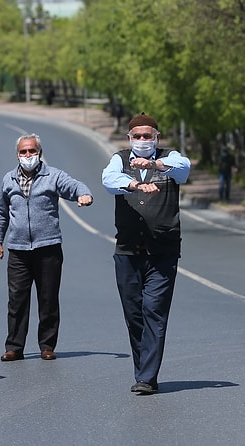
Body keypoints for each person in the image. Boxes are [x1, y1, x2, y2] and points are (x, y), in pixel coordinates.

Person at [101, 113, 190, 395]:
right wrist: (135, 184)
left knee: (154, 310)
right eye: (136, 136)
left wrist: (154, 164)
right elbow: (108, 179)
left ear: (156, 137)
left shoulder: (169, 158)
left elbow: (183, 168)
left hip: (162, 251)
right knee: (134, 313)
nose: (142, 140)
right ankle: (144, 371)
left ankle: (147, 377)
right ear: (129, 138)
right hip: (127, 250)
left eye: (147, 135)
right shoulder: (119, 159)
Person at [0, 134, 93, 363]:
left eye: (32, 151)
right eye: (23, 152)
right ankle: (14, 347)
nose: (28, 155)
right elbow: (1, 213)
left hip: (48, 248)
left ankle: (47, 345)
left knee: (48, 299)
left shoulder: (52, 176)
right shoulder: (8, 180)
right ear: (17, 154)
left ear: (39, 152)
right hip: (18, 250)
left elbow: (74, 185)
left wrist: (84, 194)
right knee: (16, 300)